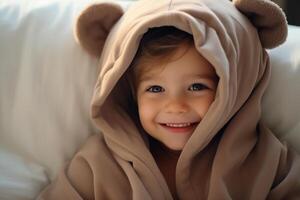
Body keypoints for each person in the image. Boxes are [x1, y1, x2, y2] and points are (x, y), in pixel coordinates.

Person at [38, 0, 300, 199]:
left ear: (235, 89)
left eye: (197, 86)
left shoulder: (267, 161)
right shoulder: (96, 165)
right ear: (129, 91)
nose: (176, 106)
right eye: (155, 89)